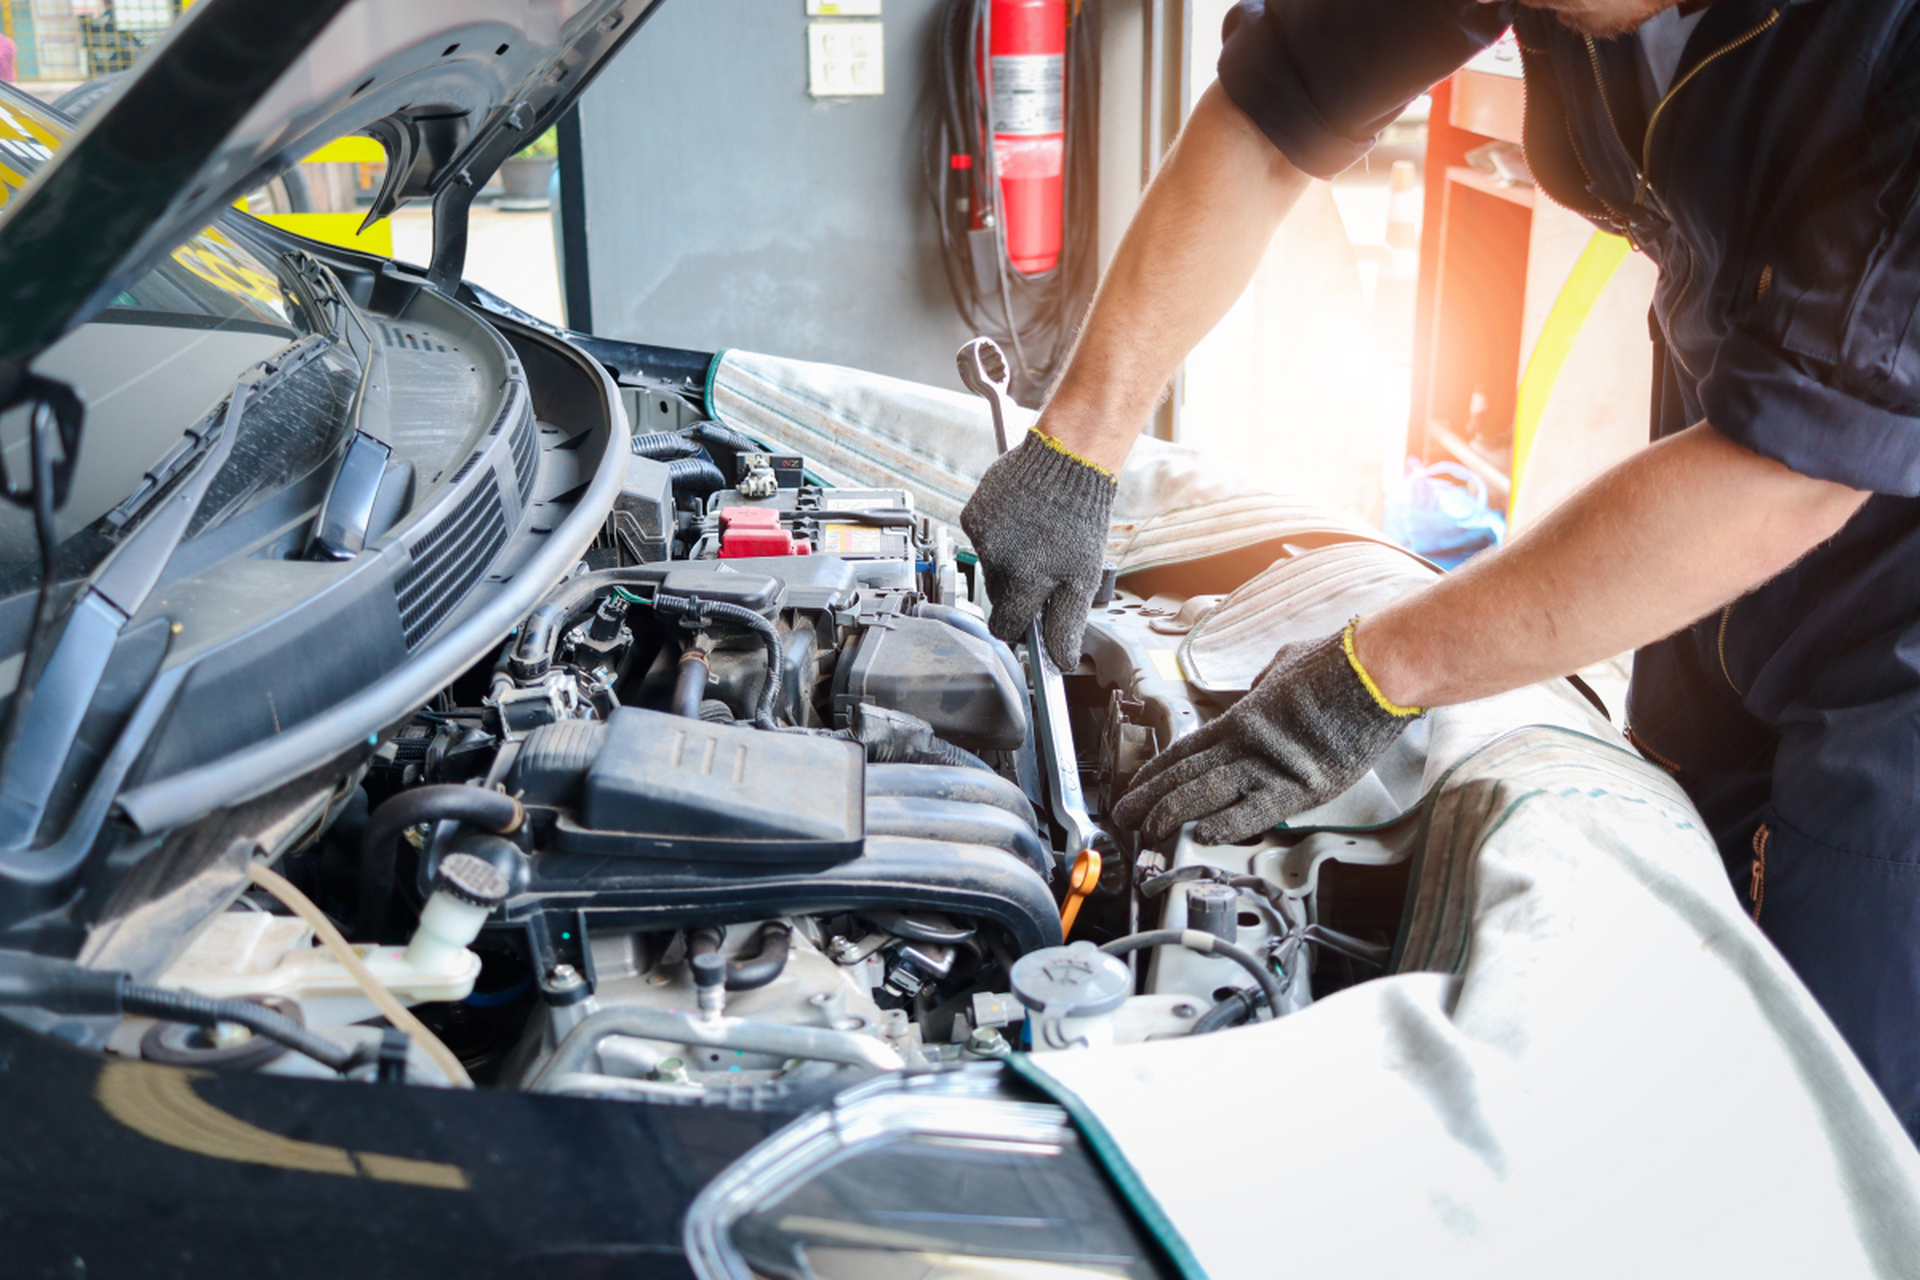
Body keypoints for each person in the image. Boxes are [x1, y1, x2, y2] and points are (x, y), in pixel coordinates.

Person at [960, 0, 1920, 1139]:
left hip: (1889, 650)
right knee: (1668, 1039)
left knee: (1822, 1121)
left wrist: (1373, 675)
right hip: (1710, 583)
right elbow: (1271, 115)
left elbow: (1788, 473)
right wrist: (1080, 441)